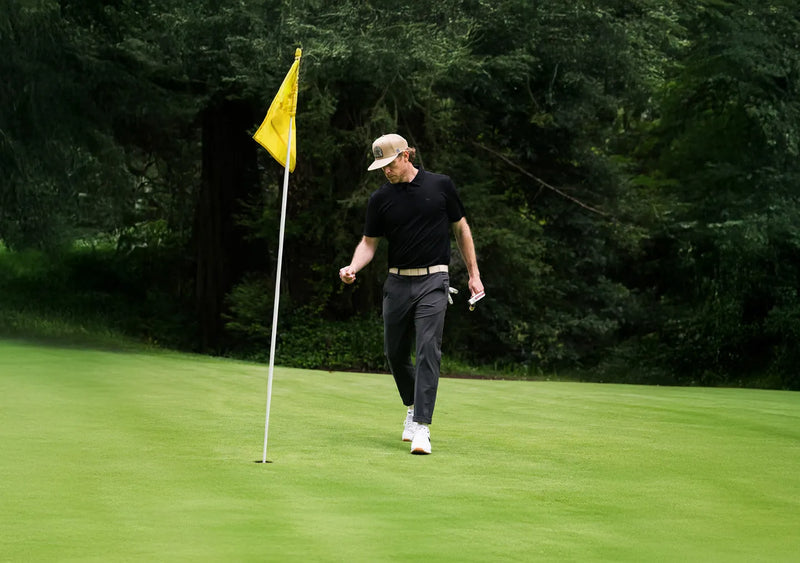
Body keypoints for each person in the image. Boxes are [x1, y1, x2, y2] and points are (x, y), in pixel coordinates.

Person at [339, 133, 484, 455]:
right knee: (394, 353)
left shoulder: (440, 186)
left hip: (434, 280)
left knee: (428, 348)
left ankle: (421, 426)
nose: (386, 171)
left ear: (406, 155)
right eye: (381, 167)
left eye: (389, 164)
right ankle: (412, 405)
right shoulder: (380, 199)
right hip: (397, 283)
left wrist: (474, 275)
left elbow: (461, 229)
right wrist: (353, 267)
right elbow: (369, 243)